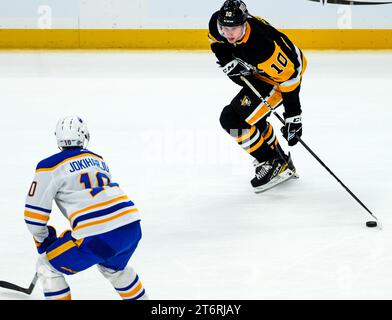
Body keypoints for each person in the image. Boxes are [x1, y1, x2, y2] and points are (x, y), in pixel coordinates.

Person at [24, 116, 148, 300]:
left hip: (97, 235)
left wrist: (43, 241)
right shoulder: (99, 161)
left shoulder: (49, 166)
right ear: (84, 136)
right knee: (115, 270)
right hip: (130, 226)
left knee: (46, 266)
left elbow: (34, 217)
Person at [208, 0, 307, 192]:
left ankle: (270, 161)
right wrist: (226, 59)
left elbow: (289, 78)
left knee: (231, 119)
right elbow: (216, 42)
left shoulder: (262, 46)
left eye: (234, 28)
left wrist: (293, 116)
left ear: (245, 23)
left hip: (281, 78)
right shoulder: (216, 23)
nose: (228, 33)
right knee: (252, 118)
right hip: (259, 73)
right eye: (225, 28)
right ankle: (280, 161)